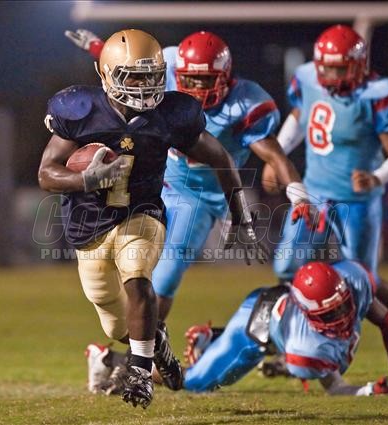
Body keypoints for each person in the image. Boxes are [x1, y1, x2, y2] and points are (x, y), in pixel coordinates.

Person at [38, 29, 267, 408]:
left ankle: (140, 373)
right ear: (107, 75)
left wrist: (241, 216)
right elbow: (47, 173)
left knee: (139, 277)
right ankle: (154, 342)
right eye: (133, 77)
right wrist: (86, 180)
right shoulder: (80, 110)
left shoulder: (171, 114)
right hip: (88, 224)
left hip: (142, 212)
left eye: (151, 77)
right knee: (113, 319)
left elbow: (220, 158)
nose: (144, 87)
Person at [66, 29, 308, 321]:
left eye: (206, 80)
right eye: (190, 79)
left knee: (163, 271)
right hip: (172, 183)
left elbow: (273, 154)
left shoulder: (244, 103)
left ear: (226, 77)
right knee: (149, 270)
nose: (196, 87)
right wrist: (98, 47)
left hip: (216, 191)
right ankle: (144, 343)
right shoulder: (164, 70)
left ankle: (145, 341)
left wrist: (298, 195)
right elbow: (128, 66)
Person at [265, 24, 388, 371]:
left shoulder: (377, 95)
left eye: (338, 69)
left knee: (363, 282)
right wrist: (276, 155)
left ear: (357, 66)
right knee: (287, 266)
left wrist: (377, 176)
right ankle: (293, 341)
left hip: (357, 202)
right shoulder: (308, 78)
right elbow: (299, 117)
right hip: (314, 194)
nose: (328, 76)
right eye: (325, 67)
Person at [87, 219, 388, 396]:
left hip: (280, 315)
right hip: (257, 325)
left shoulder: (354, 284)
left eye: (340, 307)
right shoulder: (305, 345)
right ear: (308, 313)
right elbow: (334, 387)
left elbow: (387, 323)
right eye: (329, 314)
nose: (341, 317)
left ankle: (209, 338)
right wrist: (369, 391)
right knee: (191, 382)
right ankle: (107, 359)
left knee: (288, 351)